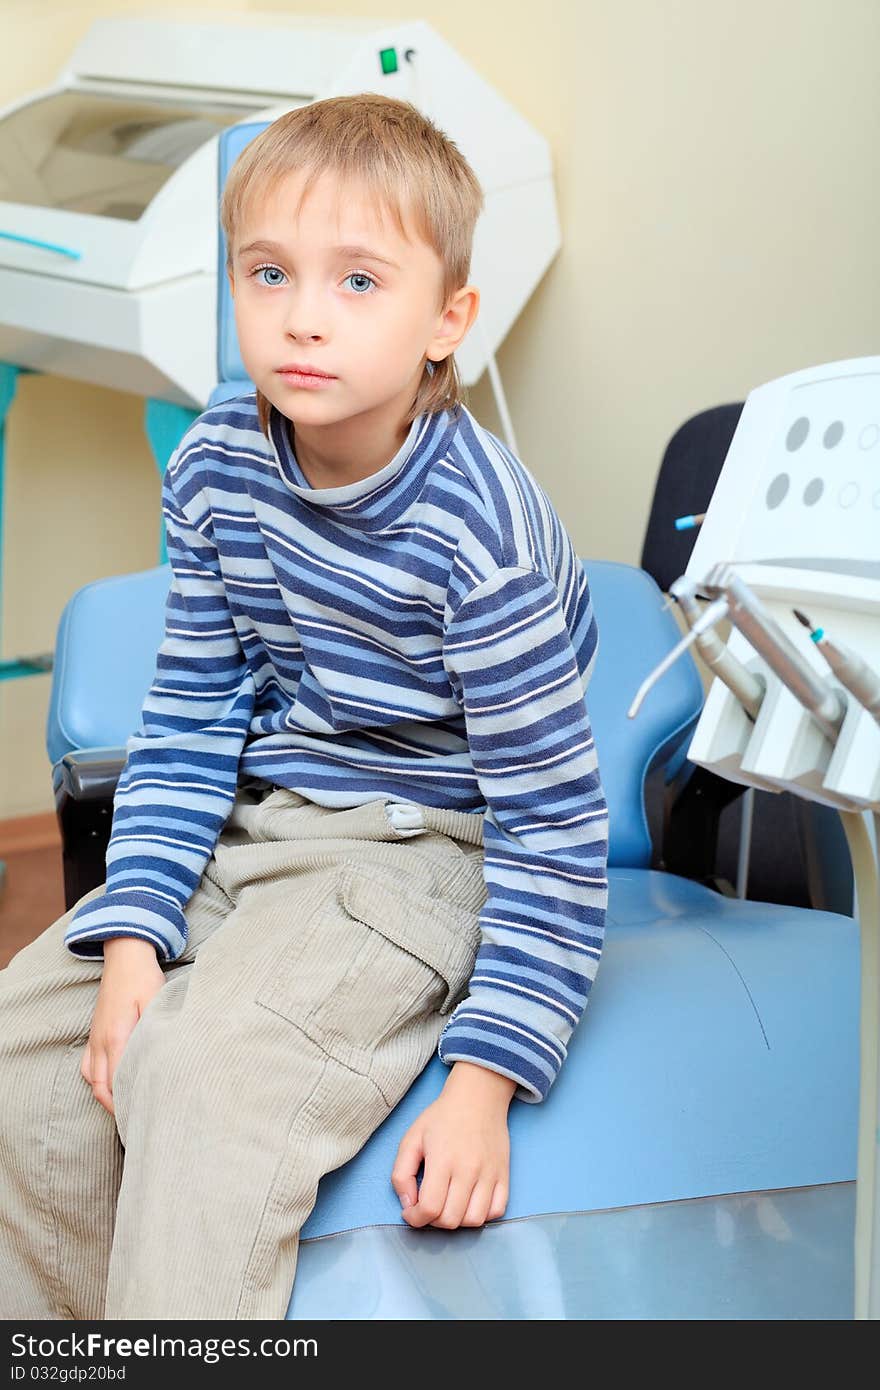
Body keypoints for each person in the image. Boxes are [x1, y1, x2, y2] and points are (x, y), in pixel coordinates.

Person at [0, 93, 608, 1320]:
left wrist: (484, 1081)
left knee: (205, 1077)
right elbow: (189, 715)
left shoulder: (474, 532)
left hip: (433, 843)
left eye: (358, 282)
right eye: (267, 272)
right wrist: (131, 945)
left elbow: (551, 821)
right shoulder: (220, 458)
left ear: (449, 322)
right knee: (20, 1066)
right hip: (271, 812)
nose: (303, 319)